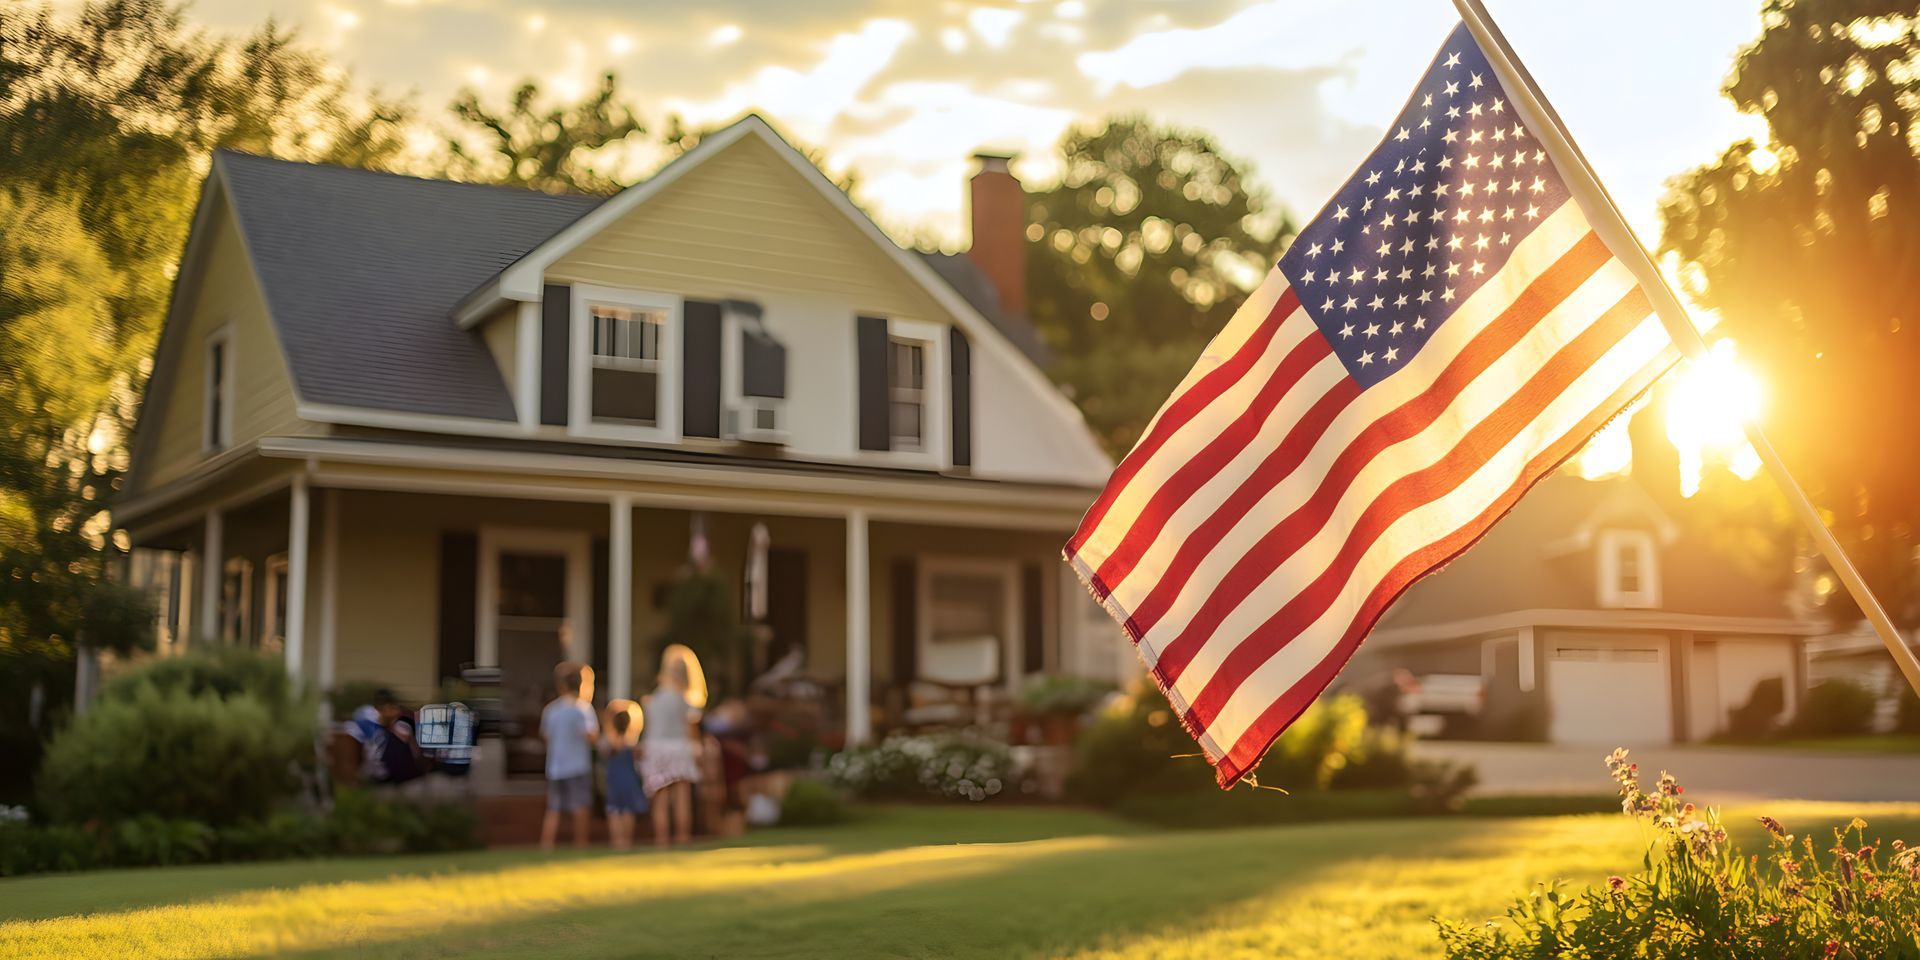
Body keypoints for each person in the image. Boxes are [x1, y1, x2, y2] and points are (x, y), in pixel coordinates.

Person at [642, 644, 706, 847]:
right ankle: (682, 839)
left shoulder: (654, 699)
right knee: (682, 798)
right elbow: (691, 729)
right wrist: (697, 747)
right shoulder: (685, 700)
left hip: (656, 748)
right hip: (679, 748)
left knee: (660, 800)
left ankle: (662, 842)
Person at [539, 662, 597, 851]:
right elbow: (591, 736)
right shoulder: (583, 709)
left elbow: (546, 736)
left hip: (556, 767)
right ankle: (581, 843)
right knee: (580, 806)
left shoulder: (551, 710)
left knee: (554, 808)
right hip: (578, 766)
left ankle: (547, 844)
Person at [600, 699, 646, 850]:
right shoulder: (632, 744)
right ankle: (627, 841)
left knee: (614, 810)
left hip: (613, 782)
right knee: (628, 810)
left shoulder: (607, 744)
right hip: (629, 781)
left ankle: (617, 841)